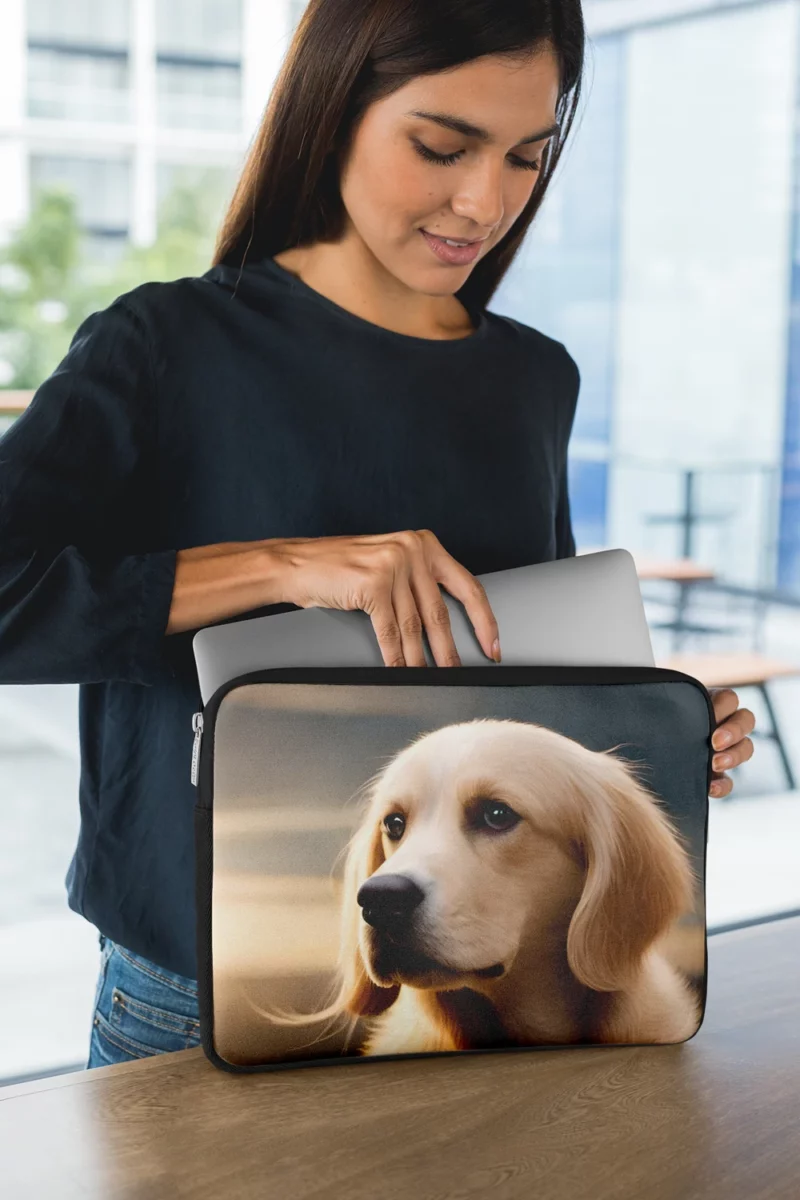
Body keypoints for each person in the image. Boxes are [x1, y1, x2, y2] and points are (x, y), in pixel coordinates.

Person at [0, 0, 755, 1070]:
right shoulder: (162, 345)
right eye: (440, 147)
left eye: (524, 158)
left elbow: (518, 673)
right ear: (332, 110)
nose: (482, 201)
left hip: (492, 1016)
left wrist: (669, 736)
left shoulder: (535, 378)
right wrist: (287, 566)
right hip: (189, 999)